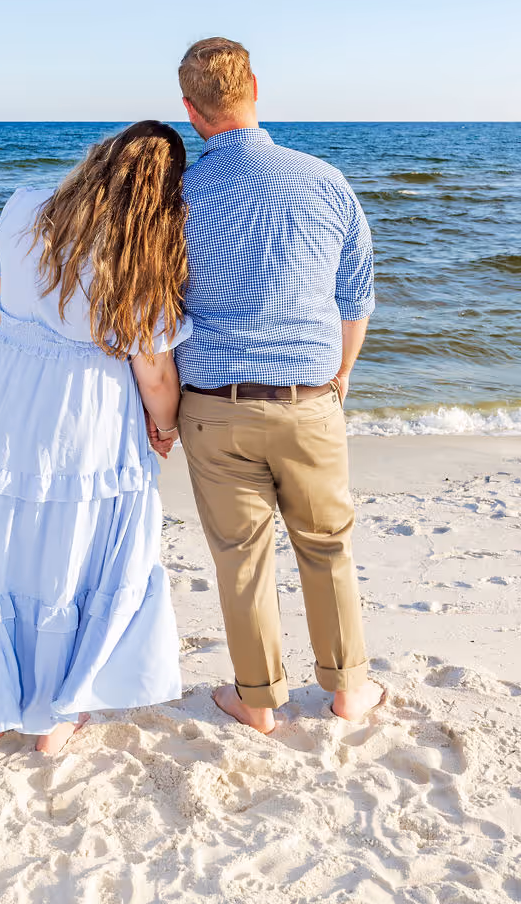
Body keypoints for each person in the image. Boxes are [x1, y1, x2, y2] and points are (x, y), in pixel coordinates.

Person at [158, 38, 383, 734]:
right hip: (308, 401)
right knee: (327, 547)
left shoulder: (176, 198)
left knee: (240, 560)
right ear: (254, 86)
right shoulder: (323, 179)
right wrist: (339, 377)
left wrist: (160, 414)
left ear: (190, 110)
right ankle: (347, 691)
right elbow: (356, 297)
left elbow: (157, 316)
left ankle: (258, 701)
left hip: (212, 408)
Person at [0, 121, 190, 755]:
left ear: (100, 158)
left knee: (15, 545)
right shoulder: (141, 246)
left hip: (9, 391)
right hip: (88, 403)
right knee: (83, 546)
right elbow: (154, 368)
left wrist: (23, 374)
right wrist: (164, 427)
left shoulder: (26, 204)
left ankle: (2, 698)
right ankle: (57, 711)